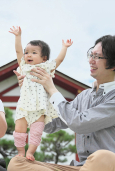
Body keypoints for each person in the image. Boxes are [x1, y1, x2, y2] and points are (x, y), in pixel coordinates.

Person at [8, 35, 115, 171]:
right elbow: (49, 125)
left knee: (104, 158)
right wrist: (30, 95)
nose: (91, 60)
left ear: (114, 64)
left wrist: (51, 89)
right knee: (16, 164)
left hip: (113, 168)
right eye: (91, 55)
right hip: (78, 169)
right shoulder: (84, 96)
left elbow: (79, 123)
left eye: (97, 56)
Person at [9, 26, 73, 161]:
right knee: (19, 130)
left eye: (33, 52)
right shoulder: (24, 67)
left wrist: (64, 47)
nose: (28, 55)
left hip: (40, 107)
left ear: (44, 58)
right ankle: (20, 151)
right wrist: (18, 36)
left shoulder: (46, 67)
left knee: (36, 132)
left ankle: (30, 152)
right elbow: (18, 51)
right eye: (27, 52)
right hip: (24, 106)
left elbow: (59, 60)